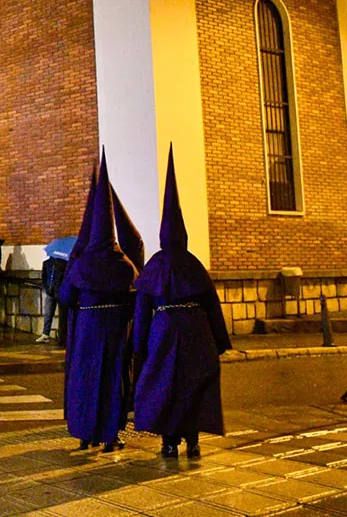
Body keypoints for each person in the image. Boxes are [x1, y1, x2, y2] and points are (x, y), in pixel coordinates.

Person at [133, 147, 232, 460]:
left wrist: (138, 343)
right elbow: (211, 304)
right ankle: (192, 441)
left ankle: (168, 442)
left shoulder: (155, 265)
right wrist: (219, 340)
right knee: (192, 386)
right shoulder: (193, 264)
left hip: (162, 331)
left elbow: (143, 307)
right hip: (195, 332)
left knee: (164, 386)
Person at [58, 155, 137, 453]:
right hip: (116, 330)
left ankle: (85, 433)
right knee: (113, 379)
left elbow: (65, 297)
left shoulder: (81, 264)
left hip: (87, 330)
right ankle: (110, 436)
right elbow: (135, 298)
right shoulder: (125, 265)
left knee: (86, 379)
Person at [36, 244, 69, 343]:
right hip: (50, 291)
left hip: (59, 291)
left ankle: (62, 337)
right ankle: (46, 333)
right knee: (48, 313)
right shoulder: (47, 262)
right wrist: (46, 287)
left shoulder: (64, 263)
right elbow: (44, 275)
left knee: (62, 315)